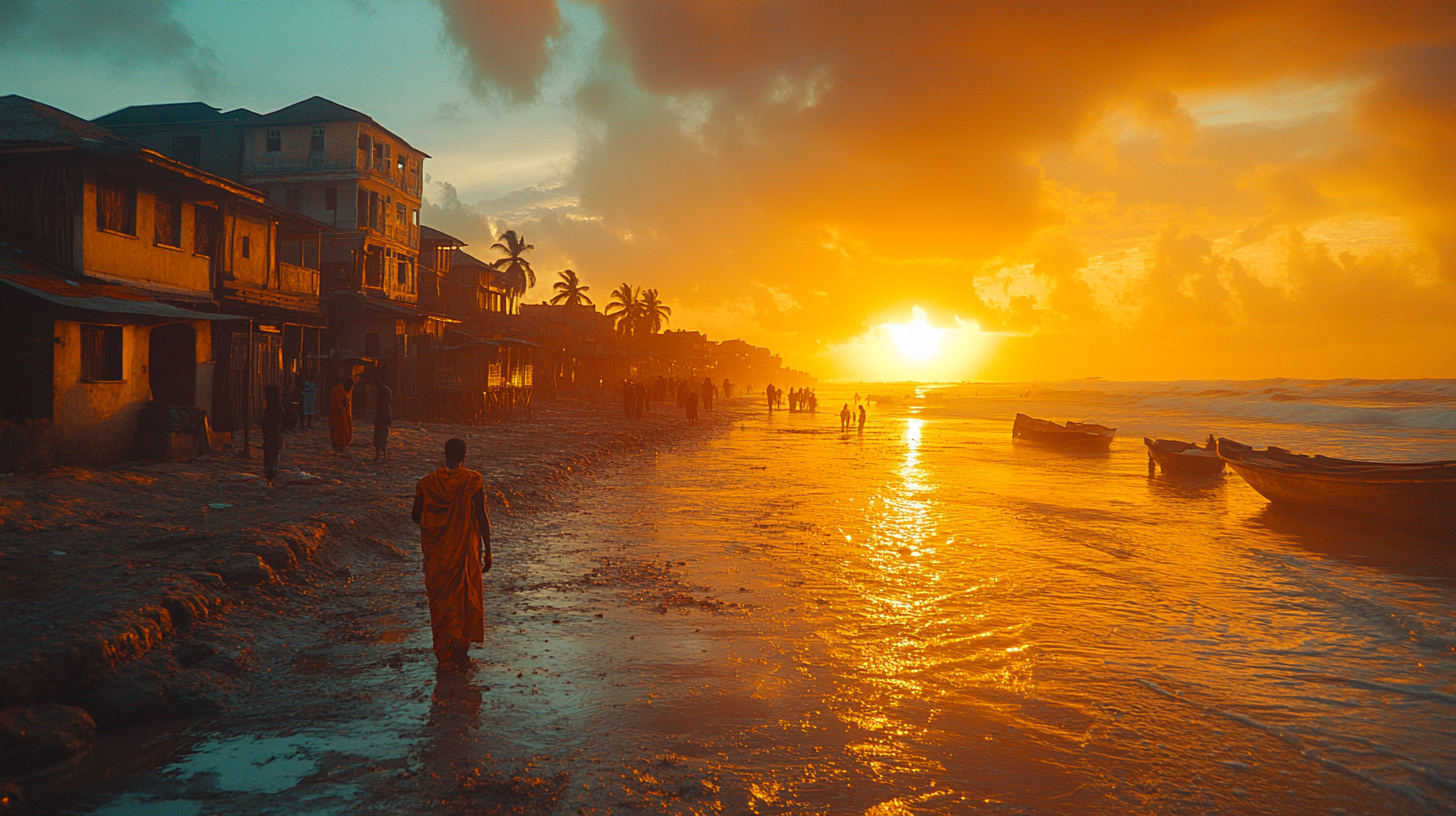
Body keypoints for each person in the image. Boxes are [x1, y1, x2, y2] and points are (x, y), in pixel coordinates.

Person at [411, 437, 491, 671]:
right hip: (463, 551)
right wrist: (487, 549)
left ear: (445, 454)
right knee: (465, 597)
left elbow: (416, 516)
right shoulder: (471, 481)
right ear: (464, 456)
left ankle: (445, 650)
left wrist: (439, 525)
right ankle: (460, 651)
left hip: (437, 554)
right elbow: (482, 516)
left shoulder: (427, 483)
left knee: (442, 601)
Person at [261, 384, 283, 485]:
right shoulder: (274, 405)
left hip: (273, 432)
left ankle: (271, 471)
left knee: (272, 451)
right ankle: (271, 470)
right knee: (272, 451)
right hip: (271, 432)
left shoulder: (275, 406)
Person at [329, 376, 354, 455]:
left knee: (346, 429)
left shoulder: (345, 391)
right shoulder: (338, 390)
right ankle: (338, 444)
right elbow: (336, 403)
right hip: (337, 414)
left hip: (345, 415)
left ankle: (342, 444)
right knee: (338, 430)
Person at [373, 380, 394, 463]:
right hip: (384, 417)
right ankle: (382, 454)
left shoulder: (383, 392)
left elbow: (381, 407)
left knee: (380, 436)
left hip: (382, 417)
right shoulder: (386, 391)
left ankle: (380, 454)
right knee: (382, 436)